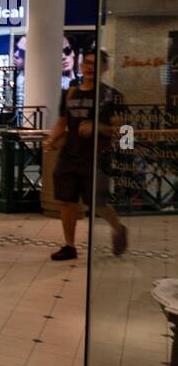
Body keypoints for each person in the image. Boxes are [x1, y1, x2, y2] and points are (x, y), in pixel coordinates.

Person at [45, 50, 127, 260]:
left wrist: (98, 127)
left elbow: (126, 131)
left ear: (105, 68)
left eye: (96, 64)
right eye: (87, 63)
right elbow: (62, 122)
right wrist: (51, 139)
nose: (90, 67)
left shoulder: (112, 95)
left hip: (97, 158)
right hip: (70, 155)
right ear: (81, 66)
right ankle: (69, 246)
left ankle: (118, 228)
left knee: (97, 203)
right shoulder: (70, 93)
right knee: (67, 201)